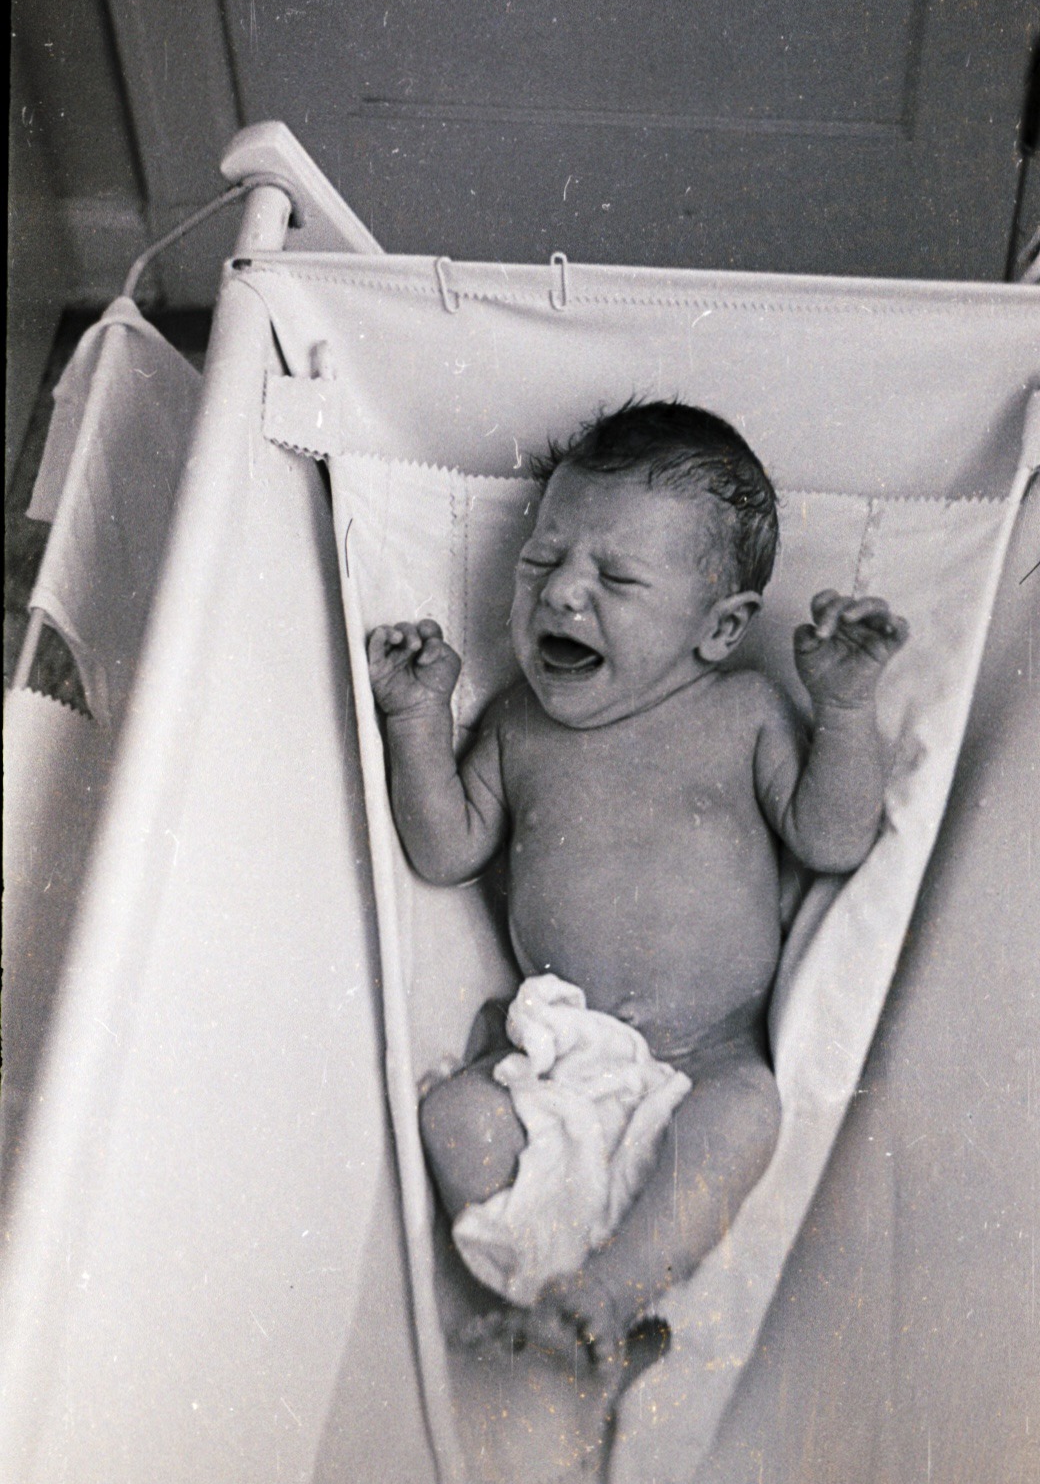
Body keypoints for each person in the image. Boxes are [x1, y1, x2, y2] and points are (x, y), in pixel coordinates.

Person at [367, 401, 907, 1367]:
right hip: (554, 1057)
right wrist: (417, 722)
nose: (562, 594)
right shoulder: (517, 728)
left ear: (720, 628)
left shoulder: (745, 714)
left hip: (708, 1057)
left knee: (743, 1120)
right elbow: (444, 851)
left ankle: (608, 1292)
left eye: (615, 579)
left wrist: (844, 708)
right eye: (541, 561)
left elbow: (832, 839)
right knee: (455, 1117)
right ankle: (541, 1296)